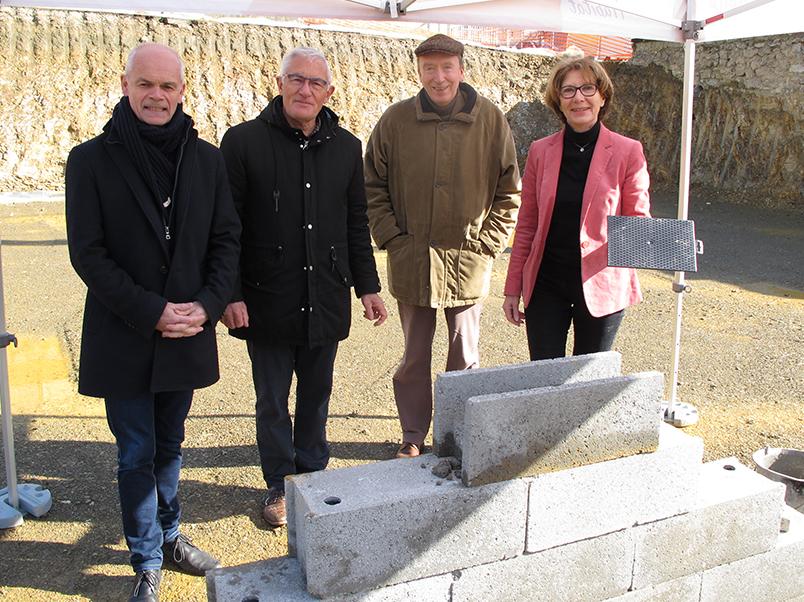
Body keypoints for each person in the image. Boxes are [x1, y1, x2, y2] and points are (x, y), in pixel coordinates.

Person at [65, 43, 241, 602]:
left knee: (171, 441)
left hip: (188, 331)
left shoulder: (207, 161)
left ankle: (169, 535)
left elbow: (226, 241)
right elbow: (88, 255)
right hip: (126, 333)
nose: (157, 96)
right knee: (135, 449)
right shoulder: (89, 160)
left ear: (182, 92)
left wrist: (209, 305)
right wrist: (151, 310)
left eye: (167, 86)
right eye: (146, 85)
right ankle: (146, 556)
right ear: (125, 86)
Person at [219, 47, 387, 528]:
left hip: (327, 292)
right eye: (297, 79)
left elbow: (357, 222)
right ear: (280, 84)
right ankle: (279, 482)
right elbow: (226, 227)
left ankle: (312, 473)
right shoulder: (243, 142)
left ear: (330, 92)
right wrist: (230, 293)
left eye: (316, 83)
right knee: (272, 397)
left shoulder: (347, 147)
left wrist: (368, 286)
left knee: (316, 393)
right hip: (266, 296)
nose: (305, 90)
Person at [364, 34, 520, 460]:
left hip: (469, 259)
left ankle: (454, 437)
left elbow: (510, 191)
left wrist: (488, 243)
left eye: (447, 67)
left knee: (464, 356)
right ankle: (412, 434)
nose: (439, 77)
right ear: (418, 71)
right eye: (429, 68)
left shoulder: (490, 119)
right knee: (414, 355)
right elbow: (372, 183)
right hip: (412, 257)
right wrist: (392, 237)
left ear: (462, 69)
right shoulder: (395, 120)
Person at [503, 56, 651, 360]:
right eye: (568, 91)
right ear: (558, 101)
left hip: (602, 281)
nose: (578, 97)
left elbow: (637, 221)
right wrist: (512, 287)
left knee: (589, 380)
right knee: (544, 375)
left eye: (587, 88)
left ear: (602, 96)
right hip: (545, 283)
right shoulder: (540, 151)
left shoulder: (628, 151)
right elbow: (527, 225)